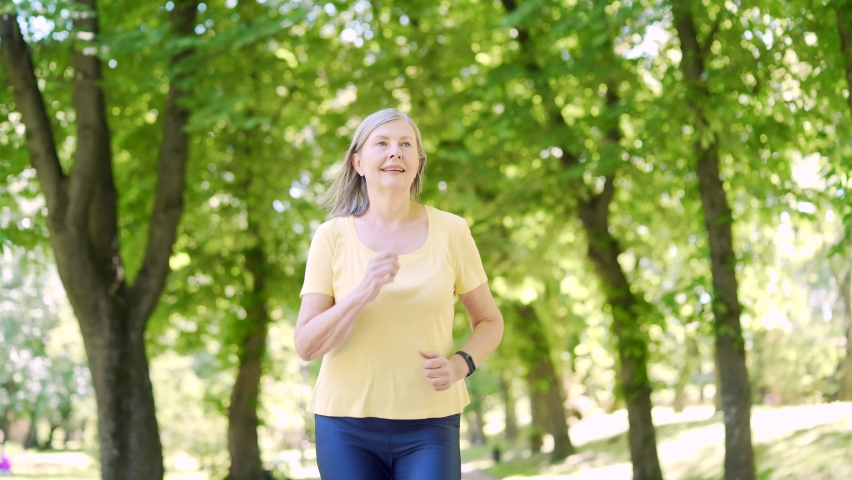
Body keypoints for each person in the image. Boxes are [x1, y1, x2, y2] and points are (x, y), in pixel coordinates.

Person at [295, 108, 504, 480]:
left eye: (406, 144)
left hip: (430, 424)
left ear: (418, 163)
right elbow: (306, 345)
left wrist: (460, 365)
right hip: (345, 425)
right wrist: (362, 292)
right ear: (359, 162)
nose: (396, 152)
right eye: (382, 143)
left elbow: (489, 321)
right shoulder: (331, 237)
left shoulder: (452, 231)